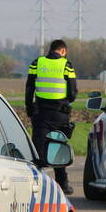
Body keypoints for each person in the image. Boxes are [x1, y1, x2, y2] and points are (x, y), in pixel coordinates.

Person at [26, 39, 78, 194]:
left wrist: (29, 108)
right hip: (59, 113)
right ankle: (62, 184)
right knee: (58, 147)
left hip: (40, 112)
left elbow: (29, 88)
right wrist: (67, 101)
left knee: (38, 148)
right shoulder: (66, 65)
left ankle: (35, 183)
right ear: (62, 50)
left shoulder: (37, 63)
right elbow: (73, 91)